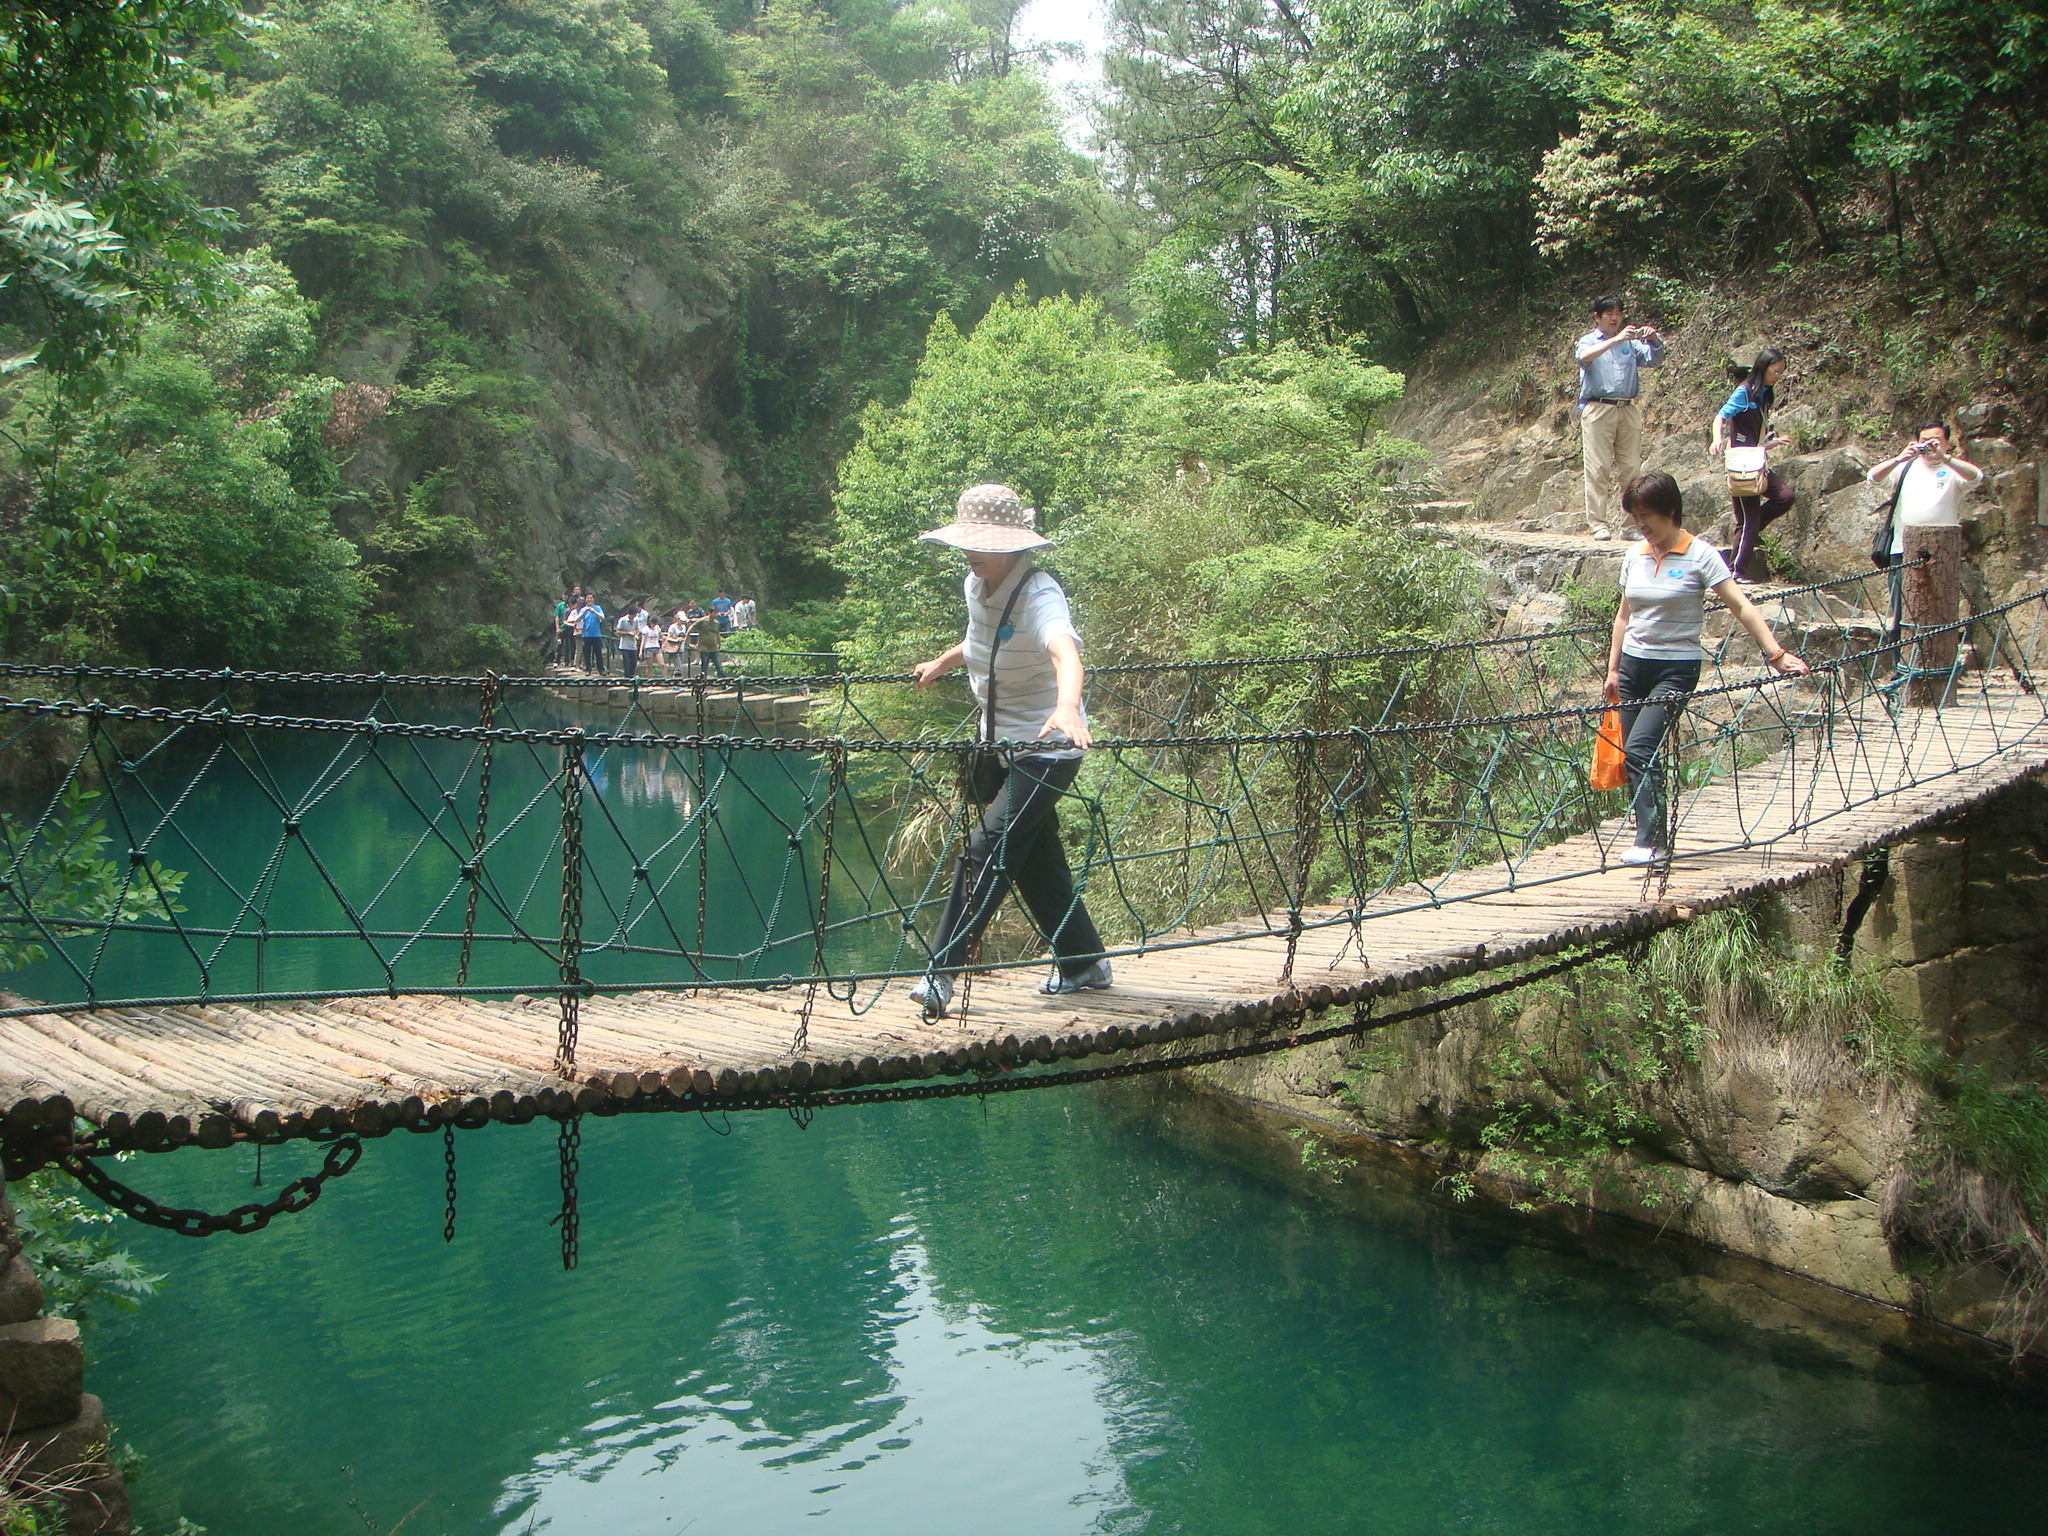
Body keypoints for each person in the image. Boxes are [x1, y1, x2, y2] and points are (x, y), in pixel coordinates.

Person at [906, 484, 1110, 1019]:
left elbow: (1063, 651)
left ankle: (940, 973)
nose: (969, 552)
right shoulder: (976, 584)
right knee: (1034, 862)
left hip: (1047, 749)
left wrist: (1068, 705)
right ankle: (1083, 962)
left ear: (1012, 544)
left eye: (981, 542)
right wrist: (944, 663)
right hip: (996, 746)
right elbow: (981, 640)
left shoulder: (1041, 593)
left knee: (986, 847)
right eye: (967, 541)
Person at [1603, 472, 1810, 865]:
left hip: (1675, 669)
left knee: (1641, 748)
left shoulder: (1700, 555)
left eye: (1647, 516)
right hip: (1632, 667)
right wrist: (1613, 669)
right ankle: (1651, 835)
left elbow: (1742, 606)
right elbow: (1623, 616)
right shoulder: (1635, 555)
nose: (1641, 525)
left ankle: (1651, 842)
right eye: (1635, 518)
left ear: (1670, 511)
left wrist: (1776, 654)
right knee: (1633, 755)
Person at [1575, 296, 1665, 532]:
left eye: (1618, 313)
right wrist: (1615, 340)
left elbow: (1655, 359)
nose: (1615, 318)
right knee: (1598, 468)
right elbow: (1584, 358)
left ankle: (1631, 526)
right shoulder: (1589, 341)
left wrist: (1653, 338)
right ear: (1597, 317)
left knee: (1631, 469)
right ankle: (1598, 524)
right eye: (1609, 314)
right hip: (1598, 408)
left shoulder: (1631, 343)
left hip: (1627, 408)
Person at [1710, 349, 1796, 582]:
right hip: (1741, 464)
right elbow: (1721, 417)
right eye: (1775, 371)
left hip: (1757, 458)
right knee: (1747, 518)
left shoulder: (1765, 393)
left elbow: (1755, 437)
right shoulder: (1744, 392)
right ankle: (1736, 571)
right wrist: (1717, 439)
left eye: (1781, 372)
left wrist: (1771, 442)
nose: (1778, 376)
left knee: (1785, 496)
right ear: (1763, 367)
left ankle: (1751, 536)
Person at [688, 604, 726, 679]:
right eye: (714, 613)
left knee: (719, 666)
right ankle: (703, 682)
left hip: (714, 648)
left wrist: (719, 643)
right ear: (710, 612)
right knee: (704, 667)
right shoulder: (702, 621)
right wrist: (687, 640)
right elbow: (692, 627)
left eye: (716, 613)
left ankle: (723, 682)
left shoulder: (716, 623)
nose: (716, 614)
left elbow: (717, 633)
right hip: (704, 648)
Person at [615, 601, 645, 678]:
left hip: (632, 644)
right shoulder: (622, 620)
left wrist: (636, 634)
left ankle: (632, 674)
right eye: (633, 615)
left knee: (634, 661)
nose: (634, 617)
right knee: (626, 662)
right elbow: (618, 631)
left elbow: (637, 629)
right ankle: (627, 676)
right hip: (624, 644)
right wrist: (628, 633)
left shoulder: (636, 620)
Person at [578, 595, 607, 673]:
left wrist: (594, 611)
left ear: (593, 599)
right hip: (586, 634)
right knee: (587, 653)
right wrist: (584, 612)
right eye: (587, 598)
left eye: (591, 598)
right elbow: (577, 619)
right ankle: (588, 668)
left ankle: (600, 669)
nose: (589, 599)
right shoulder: (583, 609)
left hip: (596, 634)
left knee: (598, 652)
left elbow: (603, 617)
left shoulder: (598, 608)